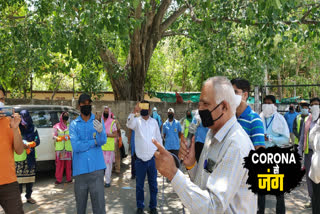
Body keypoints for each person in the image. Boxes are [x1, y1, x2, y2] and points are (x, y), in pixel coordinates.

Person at [153, 76, 257, 213]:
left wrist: (173, 173)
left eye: (205, 104)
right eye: (199, 104)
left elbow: (213, 207)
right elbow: (205, 185)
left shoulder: (236, 146)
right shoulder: (212, 134)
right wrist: (192, 165)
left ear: (224, 106)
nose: (200, 109)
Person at [69, 93, 107, 214]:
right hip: (80, 171)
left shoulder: (97, 122)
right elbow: (76, 146)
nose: (87, 105)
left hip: (97, 170)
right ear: (79, 106)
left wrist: (101, 132)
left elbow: (102, 141)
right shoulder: (74, 124)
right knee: (80, 207)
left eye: (88, 103)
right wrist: (94, 142)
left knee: (99, 207)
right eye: (83, 103)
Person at [126, 100, 162, 214]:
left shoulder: (154, 123)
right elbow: (128, 124)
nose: (144, 109)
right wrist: (134, 110)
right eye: (142, 107)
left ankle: (153, 206)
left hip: (152, 159)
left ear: (150, 110)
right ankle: (140, 206)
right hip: (140, 160)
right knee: (139, 186)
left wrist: (161, 153)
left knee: (153, 185)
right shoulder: (136, 121)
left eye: (146, 107)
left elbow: (158, 139)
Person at [259, 95, 290, 214]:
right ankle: (260, 211)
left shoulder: (280, 119)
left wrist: (271, 138)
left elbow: (286, 140)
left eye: (269, 103)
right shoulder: (259, 117)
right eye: (265, 103)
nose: (267, 105)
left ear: (274, 105)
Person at [0, 85, 25, 213]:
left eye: (2, 99)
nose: (0, 102)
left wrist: (15, 128)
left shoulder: (9, 121)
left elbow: (19, 150)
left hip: (8, 182)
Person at [231, 78, 265, 150]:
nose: (231, 95)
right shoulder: (230, 117)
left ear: (245, 95)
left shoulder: (254, 120)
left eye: (235, 92)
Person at [14, 110, 40, 205]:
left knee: (30, 179)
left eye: (26, 117)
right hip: (19, 157)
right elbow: (13, 141)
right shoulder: (17, 128)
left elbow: (37, 140)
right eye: (22, 117)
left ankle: (28, 197)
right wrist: (22, 144)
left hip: (31, 156)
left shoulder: (33, 128)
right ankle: (18, 199)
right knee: (19, 180)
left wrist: (33, 143)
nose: (24, 120)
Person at [298, 97, 320, 209]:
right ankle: (312, 199)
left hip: (319, 154)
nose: (314, 106)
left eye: (317, 104)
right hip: (309, 153)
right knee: (309, 178)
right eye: (313, 104)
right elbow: (302, 137)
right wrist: (299, 152)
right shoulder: (307, 121)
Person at [53, 112, 72, 185]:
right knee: (59, 165)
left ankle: (69, 179)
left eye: (67, 116)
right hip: (60, 149)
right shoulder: (56, 126)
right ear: (61, 116)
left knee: (68, 165)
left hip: (67, 148)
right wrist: (58, 138)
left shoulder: (70, 126)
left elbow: (73, 135)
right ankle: (58, 179)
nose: (66, 117)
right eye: (65, 116)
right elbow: (53, 136)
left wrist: (67, 137)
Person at [101, 106, 117, 187]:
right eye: (105, 111)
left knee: (108, 166)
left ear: (110, 113)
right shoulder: (100, 121)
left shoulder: (112, 122)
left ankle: (107, 181)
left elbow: (115, 134)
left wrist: (107, 135)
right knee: (100, 165)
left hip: (109, 148)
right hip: (100, 147)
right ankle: (100, 181)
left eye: (107, 112)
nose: (106, 113)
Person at [308, 116, 320, 214]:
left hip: (316, 167)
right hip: (316, 170)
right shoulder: (317, 127)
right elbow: (310, 141)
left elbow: (311, 141)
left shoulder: (316, 128)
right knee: (316, 198)